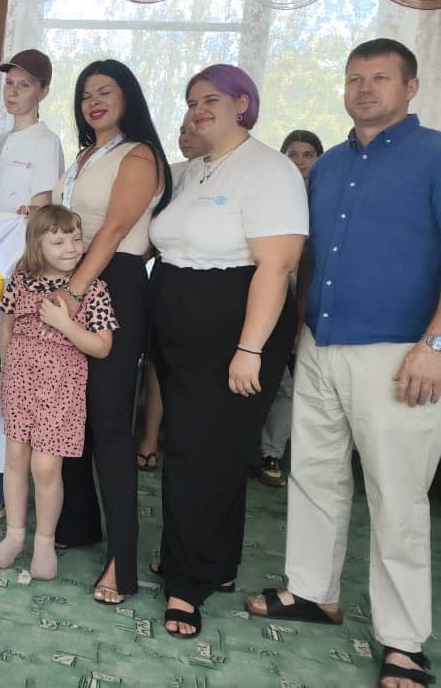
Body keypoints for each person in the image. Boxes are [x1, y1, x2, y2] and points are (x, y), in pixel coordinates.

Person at [246, 40, 441, 688]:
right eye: (355, 77)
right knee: (316, 477)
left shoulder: (435, 155)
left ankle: (404, 642)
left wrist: (436, 346)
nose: (364, 88)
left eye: (380, 78)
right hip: (321, 347)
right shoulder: (325, 166)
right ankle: (312, 592)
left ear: (410, 86)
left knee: (398, 499)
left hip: (402, 354)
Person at [149, 63, 307, 638]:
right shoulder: (193, 170)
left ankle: (186, 585)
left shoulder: (270, 169)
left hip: (234, 330)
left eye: (211, 99)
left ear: (244, 104)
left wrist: (250, 349)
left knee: (197, 453)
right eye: (192, 101)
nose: (198, 110)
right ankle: (212, 563)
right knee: (206, 454)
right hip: (178, 323)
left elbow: (278, 264)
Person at [53, 59, 172, 605]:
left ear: (129, 98)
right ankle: (79, 523)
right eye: (85, 95)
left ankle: (122, 561)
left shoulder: (139, 154)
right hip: (77, 277)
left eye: (106, 91)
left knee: (109, 421)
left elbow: (119, 229)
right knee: (72, 409)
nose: (94, 101)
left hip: (114, 283)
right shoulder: (85, 155)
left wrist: (75, 292)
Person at [0, 47, 65, 521]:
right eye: (10, 84)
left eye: (25, 85)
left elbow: (43, 211)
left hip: (17, 271)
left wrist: (31, 219)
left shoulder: (45, 142)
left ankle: (3, 488)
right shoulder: (0, 142)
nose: (14, 92)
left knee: (7, 373)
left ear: (43, 91)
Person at [0, 205, 116, 579]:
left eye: (76, 239)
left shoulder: (93, 288)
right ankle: (14, 535)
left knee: (46, 466)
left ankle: (44, 542)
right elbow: (7, 320)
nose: (71, 248)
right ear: (37, 244)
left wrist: (65, 324)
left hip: (61, 384)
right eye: (58, 241)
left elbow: (103, 346)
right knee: (15, 456)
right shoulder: (22, 277)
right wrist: (7, 359)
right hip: (20, 378)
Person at [136, 117, 209, 472]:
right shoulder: (168, 173)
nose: (187, 136)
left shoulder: (223, 172)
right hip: (163, 277)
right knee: (156, 362)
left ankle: (184, 443)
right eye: (181, 130)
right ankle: (149, 438)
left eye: (194, 129)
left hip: (206, 285)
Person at [256, 127, 326, 487]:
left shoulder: (325, 200)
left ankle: (272, 452)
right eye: (291, 153)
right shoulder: (268, 194)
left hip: (306, 294)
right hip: (266, 288)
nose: (298, 161)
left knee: (286, 381)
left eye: (307, 155)